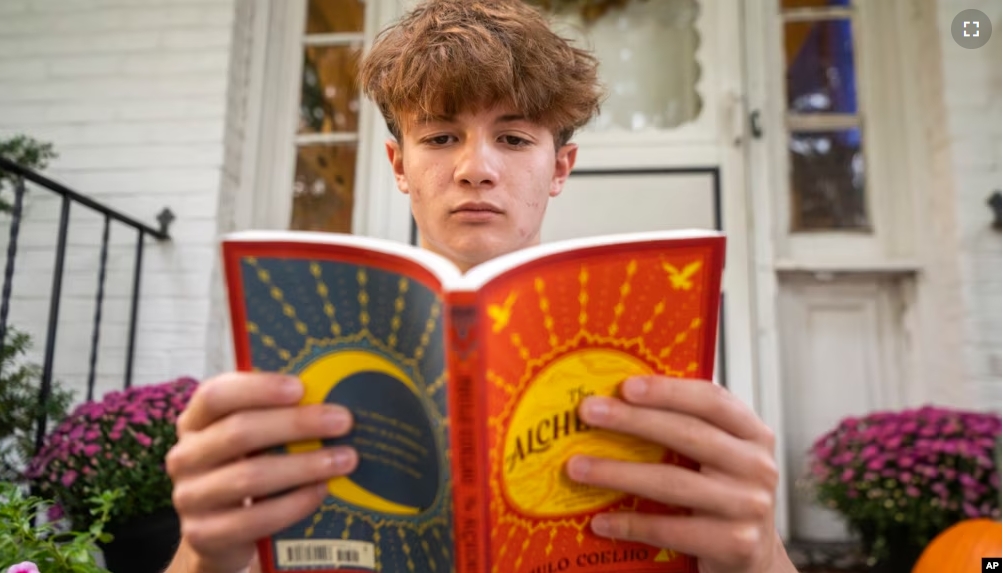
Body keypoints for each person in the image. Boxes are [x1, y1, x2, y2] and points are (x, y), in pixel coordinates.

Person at [164, 1, 799, 572]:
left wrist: (762, 555)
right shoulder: (296, 375)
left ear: (560, 168)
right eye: (441, 137)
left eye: (515, 138)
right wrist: (204, 555)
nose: (476, 169)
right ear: (398, 166)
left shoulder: (659, 373)